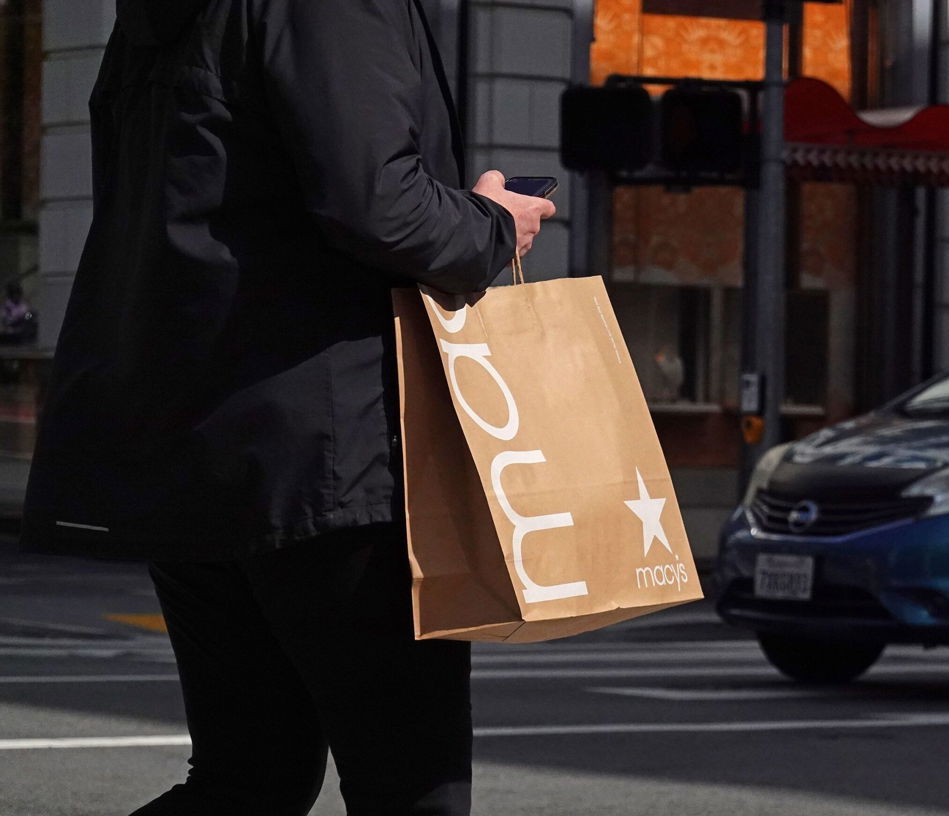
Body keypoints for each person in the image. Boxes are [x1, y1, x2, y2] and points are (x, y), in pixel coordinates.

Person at [20, 0, 555, 814]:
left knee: (249, 778)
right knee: (411, 788)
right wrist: (492, 224)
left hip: (196, 438)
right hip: (331, 449)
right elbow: (378, 204)